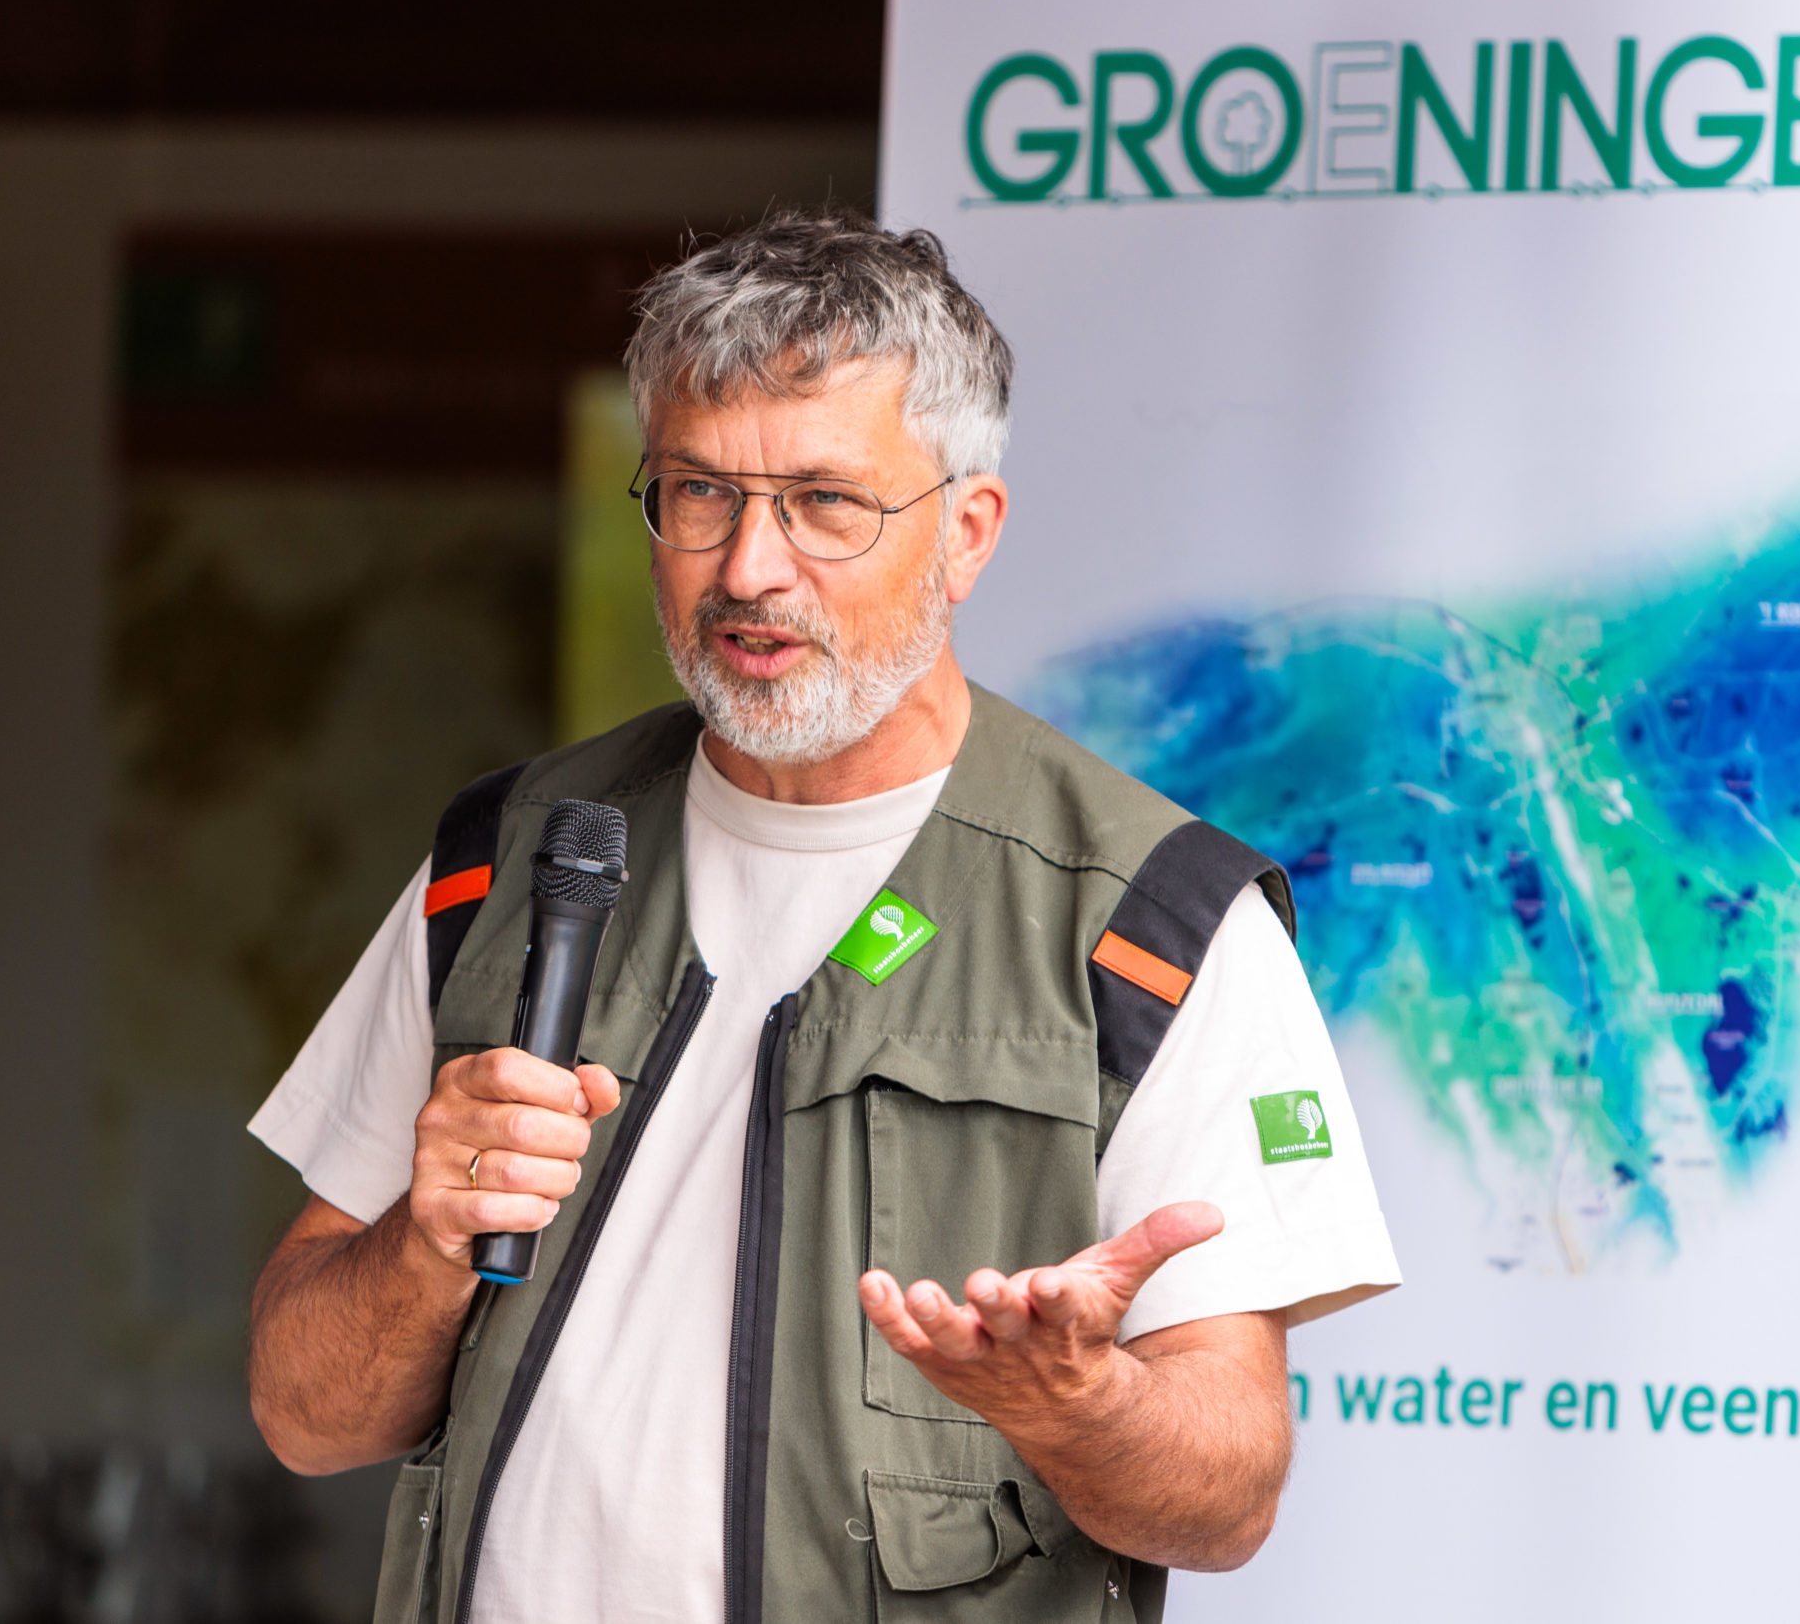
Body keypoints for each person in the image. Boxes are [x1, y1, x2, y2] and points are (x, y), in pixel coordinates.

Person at [244, 211, 1400, 1624]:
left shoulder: (1153, 924)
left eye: (824, 502)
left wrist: (1078, 1402)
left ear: (967, 532)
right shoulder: (505, 860)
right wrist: (426, 1242)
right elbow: (304, 1416)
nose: (749, 568)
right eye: (699, 493)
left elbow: (1227, 1503)